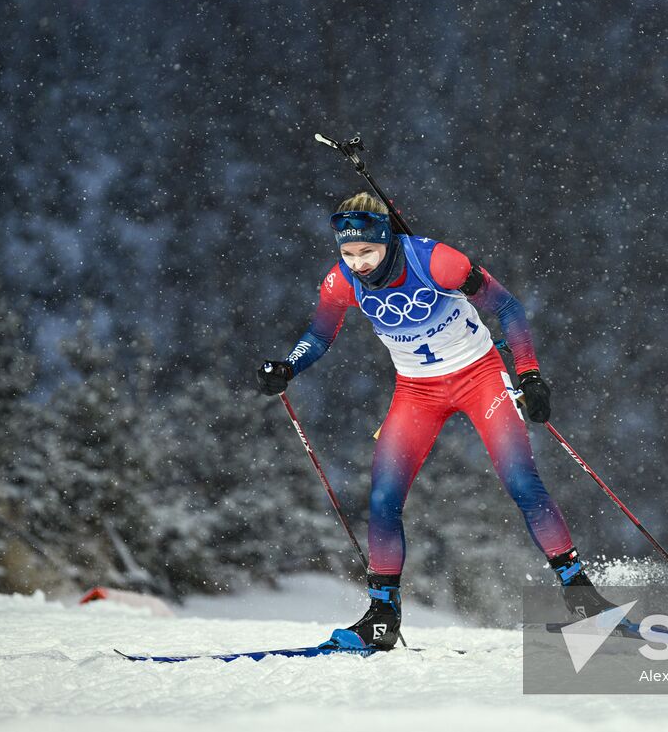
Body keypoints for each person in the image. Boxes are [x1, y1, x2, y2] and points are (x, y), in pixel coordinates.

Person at [257, 192, 613, 650]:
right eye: (348, 253)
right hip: (416, 390)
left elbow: (508, 308)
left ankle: (582, 600)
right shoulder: (340, 282)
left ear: (387, 238)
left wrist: (529, 375)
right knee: (384, 497)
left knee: (522, 481)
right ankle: (382, 617)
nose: (358, 263)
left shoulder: (438, 262)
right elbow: (320, 335)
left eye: (367, 251)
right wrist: (288, 367)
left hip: (479, 377)